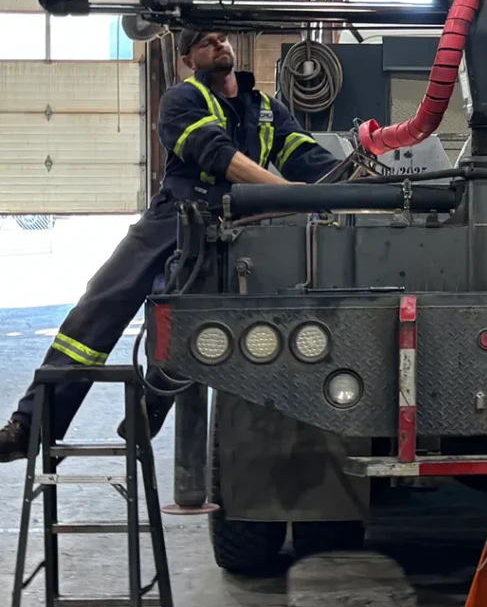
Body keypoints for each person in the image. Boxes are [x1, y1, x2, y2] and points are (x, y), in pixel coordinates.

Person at [0, 29, 340, 462]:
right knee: (100, 304)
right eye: (205, 43)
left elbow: (308, 159)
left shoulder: (267, 109)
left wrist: (361, 182)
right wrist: (289, 195)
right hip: (173, 218)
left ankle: (152, 405)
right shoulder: (182, 100)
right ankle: (31, 426)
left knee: (182, 314)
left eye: (221, 38)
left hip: (235, 228)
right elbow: (218, 156)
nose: (218, 45)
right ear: (188, 60)